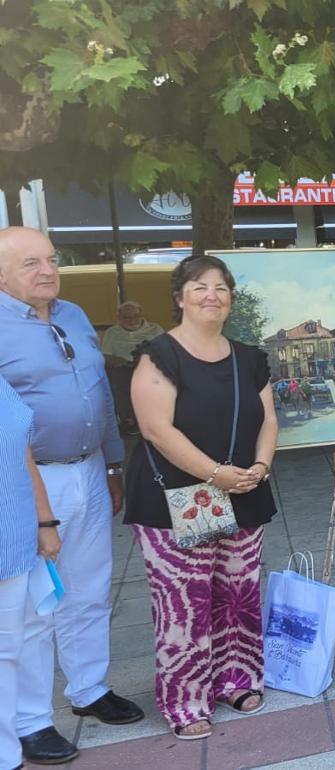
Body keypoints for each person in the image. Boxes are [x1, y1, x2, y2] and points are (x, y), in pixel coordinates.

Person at [0, 226, 144, 765]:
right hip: (25, 482)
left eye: (52, 259)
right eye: (30, 263)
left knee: (90, 588)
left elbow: (102, 394)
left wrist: (112, 460)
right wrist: (38, 515)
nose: (47, 270)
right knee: (36, 604)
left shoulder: (74, 315)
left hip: (87, 470)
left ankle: (88, 688)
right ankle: (32, 721)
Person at [126, 254, 278, 740]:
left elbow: (270, 419)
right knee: (184, 602)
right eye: (199, 286)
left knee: (238, 595)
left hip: (245, 491)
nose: (211, 295)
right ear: (180, 297)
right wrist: (217, 475)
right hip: (176, 499)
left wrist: (259, 467)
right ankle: (186, 700)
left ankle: (237, 678)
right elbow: (155, 428)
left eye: (221, 287)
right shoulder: (159, 355)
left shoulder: (250, 357)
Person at [1, 377, 62, 768]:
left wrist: (44, 521)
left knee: (6, 651)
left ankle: (8, 755)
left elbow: (21, 454)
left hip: (13, 536)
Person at [100, 301, 164, 435]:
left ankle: (153, 419)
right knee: (118, 378)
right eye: (126, 317)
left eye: (135, 316)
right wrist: (120, 361)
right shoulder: (112, 332)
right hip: (123, 367)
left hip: (149, 366)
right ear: (119, 317)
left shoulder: (155, 329)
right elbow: (105, 356)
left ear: (142, 315)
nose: (132, 320)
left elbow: (166, 352)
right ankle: (128, 419)